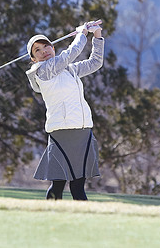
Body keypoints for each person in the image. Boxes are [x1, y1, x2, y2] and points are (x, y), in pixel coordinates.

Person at [25, 21, 104, 200]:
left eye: (47, 46)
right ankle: (52, 219)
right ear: (33, 59)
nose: (44, 51)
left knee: (78, 186)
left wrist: (97, 35)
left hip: (82, 131)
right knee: (58, 185)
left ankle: (82, 224)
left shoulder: (70, 70)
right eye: (37, 50)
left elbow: (95, 63)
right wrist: (81, 34)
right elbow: (70, 54)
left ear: (53, 47)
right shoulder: (42, 70)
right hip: (62, 132)